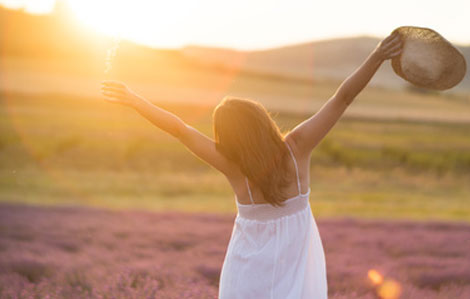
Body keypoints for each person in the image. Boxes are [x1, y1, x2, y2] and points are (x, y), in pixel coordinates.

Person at [100, 32, 402, 299]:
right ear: (263, 121)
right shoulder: (297, 148)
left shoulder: (233, 167)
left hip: (246, 274)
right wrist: (376, 57)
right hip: (296, 270)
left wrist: (135, 101)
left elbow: (181, 130)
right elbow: (343, 97)